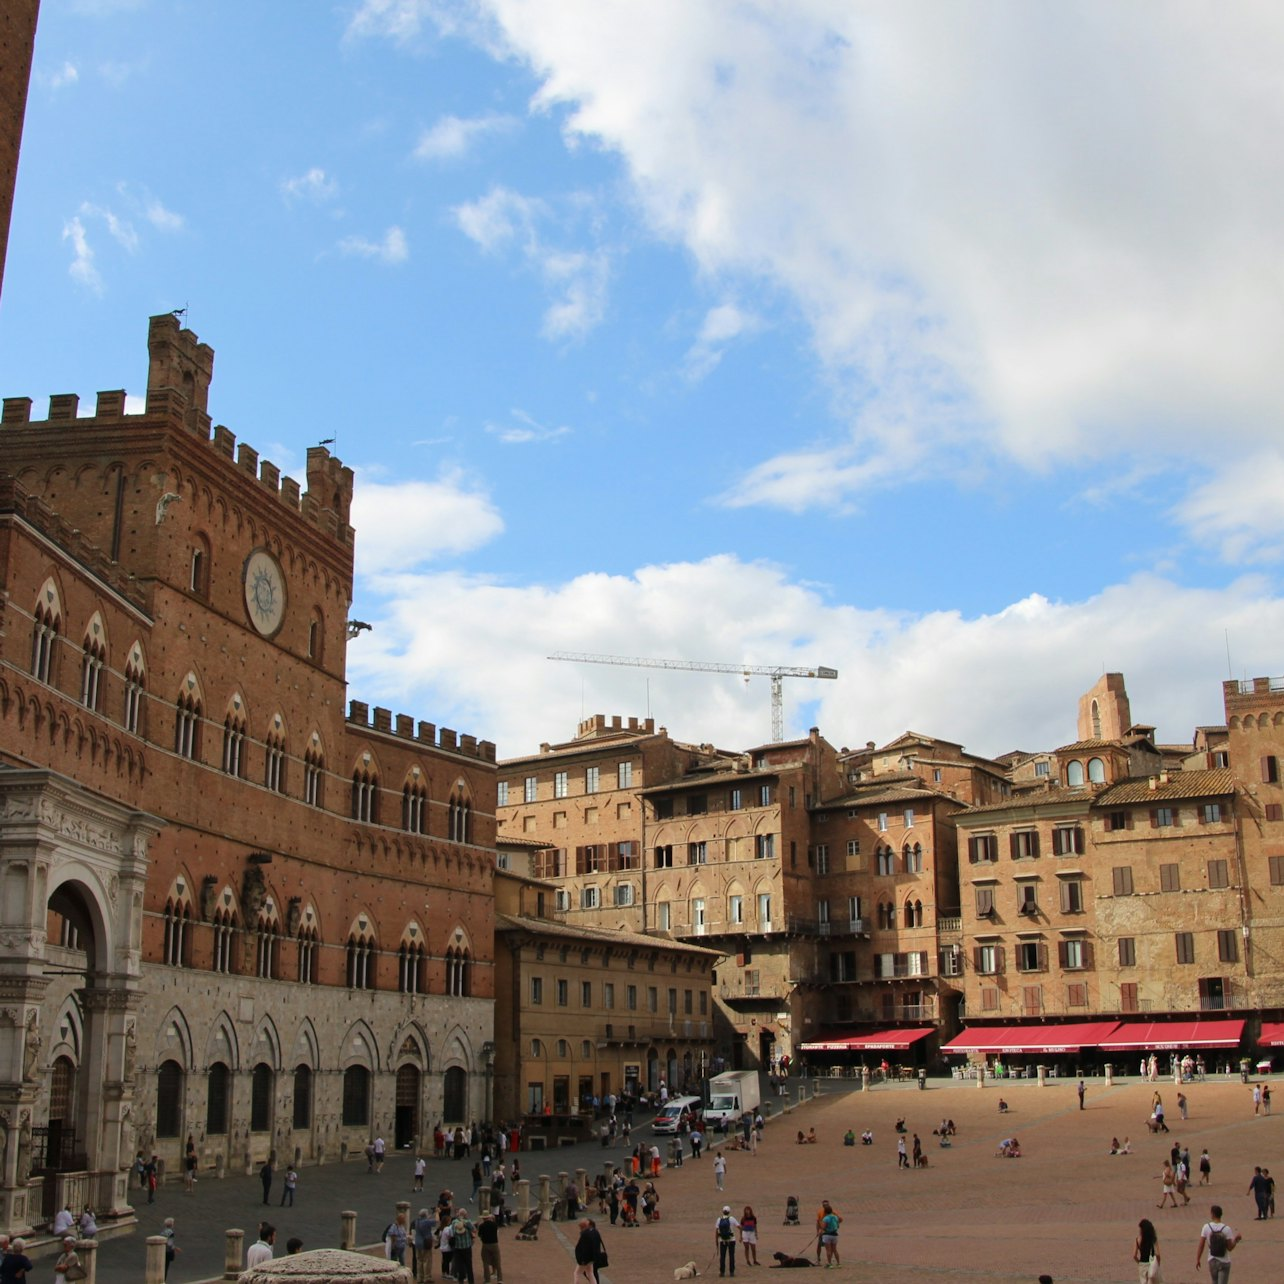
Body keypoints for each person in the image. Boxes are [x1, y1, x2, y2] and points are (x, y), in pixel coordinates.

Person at [1196, 1205, 1239, 1283]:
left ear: (1212, 1214)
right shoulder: (1226, 1229)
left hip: (1212, 1259)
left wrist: (1198, 1259)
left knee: (1214, 1281)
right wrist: (1236, 1239)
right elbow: (1230, 1247)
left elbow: (1201, 1245)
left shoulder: (1206, 1227)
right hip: (1224, 1261)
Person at [573, 1217, 605, 1284]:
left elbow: (584, 1248)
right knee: (590, 1273)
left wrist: (583, 1260)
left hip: (585, 1259)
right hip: (592, 1258)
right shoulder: (595, 1231)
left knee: (577, 1273)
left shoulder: (585, 1234)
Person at [450, 1209, 475, 1283]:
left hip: (458, 1248)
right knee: (469, 1266)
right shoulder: (468, 1222)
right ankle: (471, 1282)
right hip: (467, 1247)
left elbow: (452, 1234)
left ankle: (461, 1281)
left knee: (460, 1266)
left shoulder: (454, 1222)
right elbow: (473, 1229)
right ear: (465, 1214)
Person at [715, 1204, 740, 1277]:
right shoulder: (732, 1218)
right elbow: (739, 1227)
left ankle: (722, 1272)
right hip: (731, 1240)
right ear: (729, 1211)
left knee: (722, 1257)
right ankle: (731, 1272)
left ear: (723, 1211)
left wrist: (716, 1241)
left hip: (722, 1240)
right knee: (731, 1256)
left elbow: (716, 1231)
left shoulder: (719, 1219)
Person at [478, 1210, 502, 1284]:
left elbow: (479, 1235)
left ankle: (487, 1280)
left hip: (486, 1244)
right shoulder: (494, 1225)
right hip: (495, 1244)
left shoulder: (481, 1226)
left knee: (485, 1262)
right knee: (498, 1262)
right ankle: (500, 1279)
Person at [1134, 1217, 1160, 1283]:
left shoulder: (1137, 1240)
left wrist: (1139, 1262)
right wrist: (1158, 1264)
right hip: (1151, 1263)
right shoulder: (1153, 1239)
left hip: (1142, 1264)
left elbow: (1134, 1255)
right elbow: (1157, 1254)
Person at [819, 1202, 841, 1268]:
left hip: (827, 1235)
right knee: (835, 1250)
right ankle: (838, 1263)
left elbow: (823, 1227)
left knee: (828, 1250)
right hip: (835, 1235)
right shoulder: (835, 1217)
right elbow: (838, 1226)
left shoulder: (826, 1218)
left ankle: (829, 1263)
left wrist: (820, 1231)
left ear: (825, 1212)